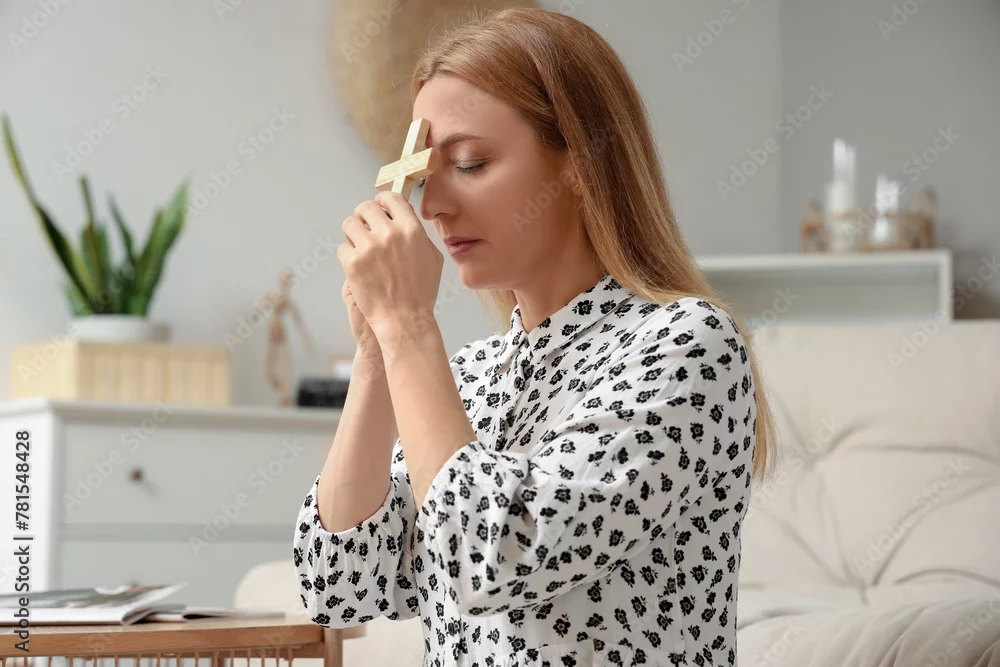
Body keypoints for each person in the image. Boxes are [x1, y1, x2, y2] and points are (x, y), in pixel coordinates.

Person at [293, 8, 775, 666]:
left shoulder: (687, 345)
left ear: (579, 162)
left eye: (470, 163)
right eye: (426, 176)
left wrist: (408, 327)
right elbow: (339, 586)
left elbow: (492, 558)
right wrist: (377, 352)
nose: (431, 207)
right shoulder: (471, 374)